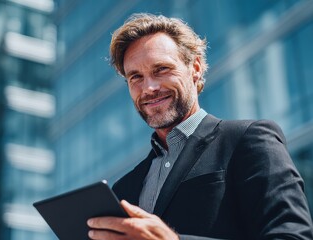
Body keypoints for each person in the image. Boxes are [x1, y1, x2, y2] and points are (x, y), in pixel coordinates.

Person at [86, 13, 313, 240]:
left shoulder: (248, 140)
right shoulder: (123, 188)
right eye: (136, 77)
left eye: (161, 69)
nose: (149, 88)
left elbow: (292, 236)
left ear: (195, 68)